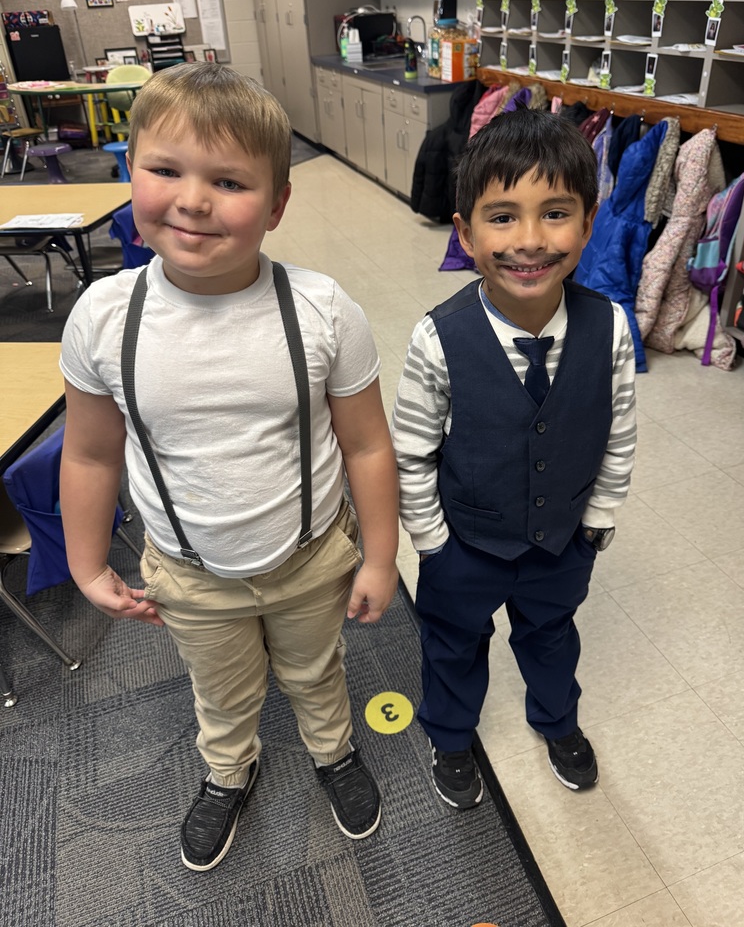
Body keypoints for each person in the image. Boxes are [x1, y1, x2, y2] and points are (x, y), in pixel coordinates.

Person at [59, 63, 400, 870]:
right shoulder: (105, 318)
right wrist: (82, 563)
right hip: (187, 570)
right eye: (165, 170)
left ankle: (332, 750)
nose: (193, 200)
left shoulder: (321, 309)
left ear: (277, 203)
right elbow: (91, 450)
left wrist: (382, 556)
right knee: (221, 689)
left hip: (311, 555)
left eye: (230, 181)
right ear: (128, 171)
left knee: (317, 671)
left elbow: (367, 445)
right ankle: (227, 769)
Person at [391, 107, 637, 808]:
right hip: (463, 545)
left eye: (555, 213)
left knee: (552, 636)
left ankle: (557, 722)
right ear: (465, 234)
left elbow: (619, 430)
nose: (530, 241)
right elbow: (413, 453)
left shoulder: (610, 326)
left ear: (588, 223)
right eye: (502, 217)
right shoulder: (438, 338)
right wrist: (433, 543)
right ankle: (450, 732)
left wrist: (599, 517)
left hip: (563, 540)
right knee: (452, 644)